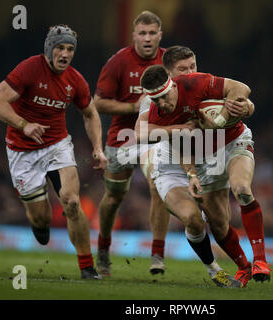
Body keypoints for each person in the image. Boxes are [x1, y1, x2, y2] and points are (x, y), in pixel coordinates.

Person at [136, 47, 270, 286]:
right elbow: (144, 134)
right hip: (186, 157)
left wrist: (242, 105)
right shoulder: (154, 103)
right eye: (183, 69)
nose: (190, 72)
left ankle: (260, 261)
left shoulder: (198, 83)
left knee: (242, 189)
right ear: (169, 75)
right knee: (215, 224)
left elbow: (243, 92)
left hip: (226, 145)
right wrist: (190, 169)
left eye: (192, 66)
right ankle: (235, 268)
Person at [0, 25, 107, 280]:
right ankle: (40, 226)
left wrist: (98, 147)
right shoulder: (29, 69)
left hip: (57, 145)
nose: (65, 54)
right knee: (41, 220)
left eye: (70, 49)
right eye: (60, 48)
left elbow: (90, 114)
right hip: (22, 150)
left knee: (72, 201)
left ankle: (87, 268)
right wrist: (24, 125)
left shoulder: (75, 80)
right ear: (49, 49)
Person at [93, 11, 170, 276]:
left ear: (160, 35)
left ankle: (157, 254)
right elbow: (99, 102)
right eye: (142, 33)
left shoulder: (170, 61)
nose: (147, 38)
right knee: (114, 196)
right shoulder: (118, 62)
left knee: (159, 187)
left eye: (152, 33)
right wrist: (132, 106)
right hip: (123, 137)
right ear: (134, 35)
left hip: (155, 136)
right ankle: (103, 248)